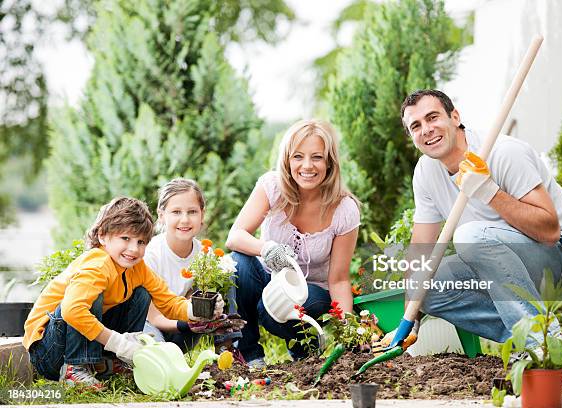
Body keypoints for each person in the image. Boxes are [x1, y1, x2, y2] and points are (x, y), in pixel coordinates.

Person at [383, 89, 562, 350]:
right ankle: (534, 338)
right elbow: (421, 248)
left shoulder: (504, 153)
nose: (426, 129)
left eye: (433, 117)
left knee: (470, 237)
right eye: (416, 126)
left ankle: (539, 342)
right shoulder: (426, 172)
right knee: (423, 286)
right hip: (501, 265)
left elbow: (550, 232)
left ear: (455, 117)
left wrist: (490, 192)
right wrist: (408, 319)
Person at [23, 197, 223, 389]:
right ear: (103, 236)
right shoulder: (97, 264)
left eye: (141, 242)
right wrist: (119, 343)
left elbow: (168, 302)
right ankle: (75, 369)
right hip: (49, 351)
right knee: (88, 300)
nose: (133, 249)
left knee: (141, 294)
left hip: (80, 341)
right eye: (125, 238)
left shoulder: (137, 268)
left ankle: (113, 363)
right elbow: (72, 311)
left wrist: (198, 310)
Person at [225, 119, 360, 368]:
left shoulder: (344, 209)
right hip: (267, 276)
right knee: (237, 264)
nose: (307, 166)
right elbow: (235, 235)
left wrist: (349, 331)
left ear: (329, 162)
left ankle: (305, 350)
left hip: (310, 290)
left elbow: (339, 279)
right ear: (287, 160)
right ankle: (250, 356)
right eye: (298, 156)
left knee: (272, 309)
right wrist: (267, 248)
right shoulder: (273, 186)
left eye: (317, 157)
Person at [143, 178, 243, 354]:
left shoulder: (204, 255)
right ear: (161, 215)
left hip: (187, 329)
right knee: (161, 358)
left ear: (202, 215)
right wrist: (188, 323)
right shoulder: (151, 254)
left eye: (192, 212)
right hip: (151, 328)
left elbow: (195, 297)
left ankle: (226, 348)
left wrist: (209, 314)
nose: (185, 220)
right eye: (176, 212)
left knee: (226, 270)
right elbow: (152, 317)